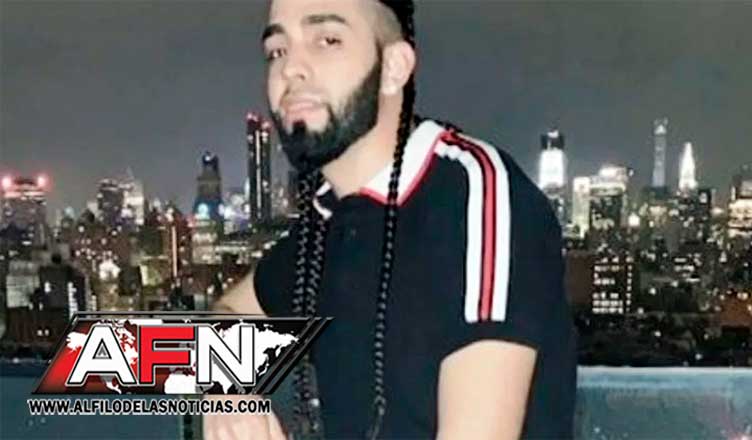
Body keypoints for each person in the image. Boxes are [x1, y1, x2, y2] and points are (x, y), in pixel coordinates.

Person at [204, 0, 577, 438]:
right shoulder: (329, 223)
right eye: (277, 51)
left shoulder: (474, 195)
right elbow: (230, 309)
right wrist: (226, 387)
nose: (291, 69)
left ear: (394, 68)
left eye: (327, 40)